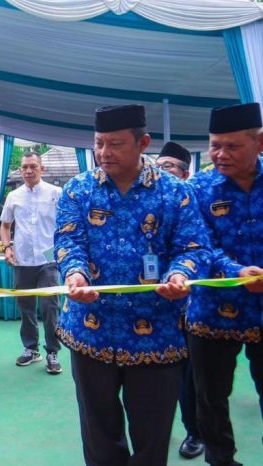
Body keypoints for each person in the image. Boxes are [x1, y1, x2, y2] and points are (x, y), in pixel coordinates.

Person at [55, 104, 210, 466]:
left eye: (115, 144)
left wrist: (180, 274)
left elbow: (193, 246)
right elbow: (68, 240)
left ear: (143, 143)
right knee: (99, 437)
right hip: (91, 332)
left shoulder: (174, 193)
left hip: (156, 335)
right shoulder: (78, 190)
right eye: (99, 143)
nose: (104, 153)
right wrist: (75, 273)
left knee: (152, 438)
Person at [187, 102, 263, 466]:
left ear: (260, 142)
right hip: (213, 313)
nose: (220, 154)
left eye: (232, 146)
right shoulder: (199, 188)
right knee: (211, 397)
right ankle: (221, 460)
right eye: (215, 145)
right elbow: (196, 245)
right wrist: (235, 272)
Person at [155, 141, 204, 460]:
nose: (161, 172)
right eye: (158, 166)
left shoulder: (197, 200)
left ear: (186, 173)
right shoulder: (154, 200)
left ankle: (195, 431)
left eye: (169, 166)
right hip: (157, 303)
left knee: (190, 374)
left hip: (194, 304)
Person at [0, 150, 63, 374]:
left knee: (49, 307)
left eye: (33, 166)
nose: (28, 171)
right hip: (23, 260)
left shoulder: (57, 193)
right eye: (25, 167)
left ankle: (52, 352)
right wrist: (7, 247)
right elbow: (5, 226)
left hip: (48, 260)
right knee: (25, 307)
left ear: (41, 168)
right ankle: (31, 349)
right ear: (20, 170)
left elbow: (66, 225)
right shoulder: (13, 196)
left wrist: (62, 251)